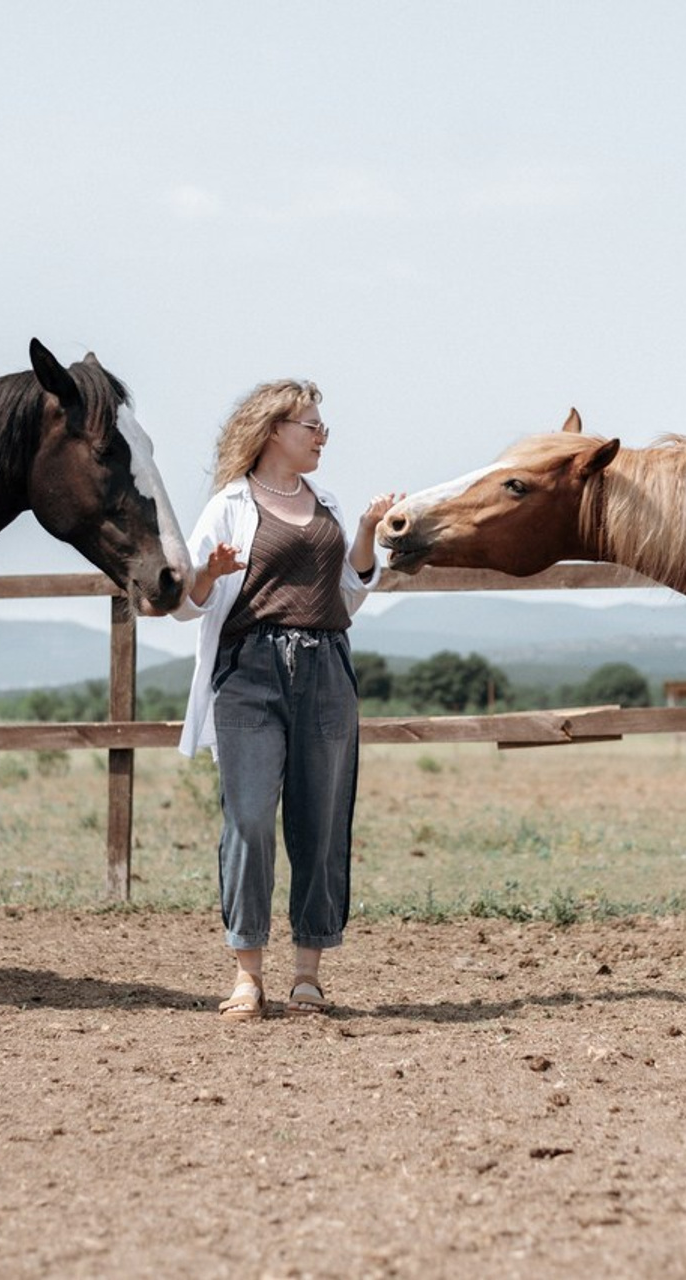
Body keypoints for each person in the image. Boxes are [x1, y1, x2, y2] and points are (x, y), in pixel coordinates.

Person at [174, 379, 399, 1020]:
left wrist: (363, 530)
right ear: (275, 429)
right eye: (312, 425)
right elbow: (189, 605)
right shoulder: (228, 506)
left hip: (327, 668)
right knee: (248, 818)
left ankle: (307, 974)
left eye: (323, 427)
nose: (322, 436)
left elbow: (349, 595)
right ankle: (247, 973)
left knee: (321, 823)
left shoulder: (325, 502)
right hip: (250, 673)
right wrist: (208, 576)